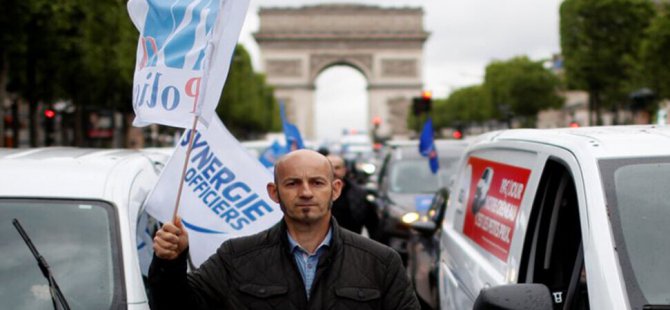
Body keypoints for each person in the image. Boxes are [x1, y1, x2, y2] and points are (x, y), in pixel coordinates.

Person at [149, 149, 420, 309]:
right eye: (292, 183)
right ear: (274, 192)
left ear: (335, 189)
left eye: (316, 183)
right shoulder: (235, 257)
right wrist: (170, 263)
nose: (305, 192)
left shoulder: (382, 263)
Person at [326, 154, 379, 238]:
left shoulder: (359, 194)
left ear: (344, 170)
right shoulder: (312, 193)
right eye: (329, 168)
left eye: (337, 168)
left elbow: (373, 225)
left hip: (351, 244)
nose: (333, 172)